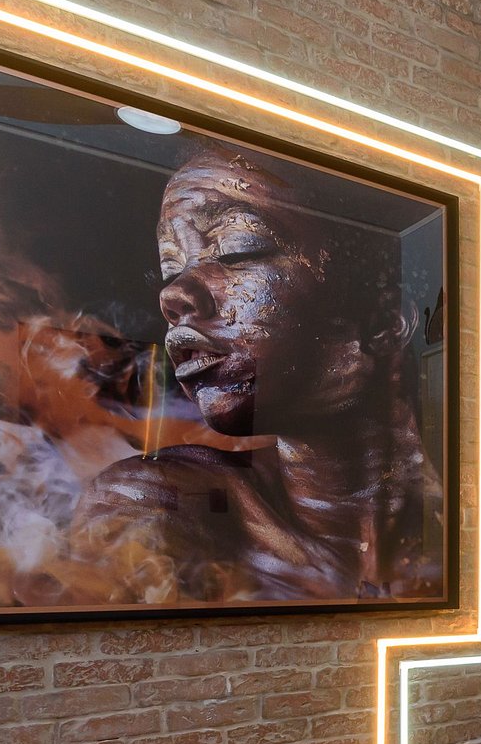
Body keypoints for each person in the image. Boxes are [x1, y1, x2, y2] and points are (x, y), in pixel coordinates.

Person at [62, 145, 444, 604]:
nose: (173, 295)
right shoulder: (156, 504)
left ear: (382, 324)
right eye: (171, 268)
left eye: (236, 248)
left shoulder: (475, 520)